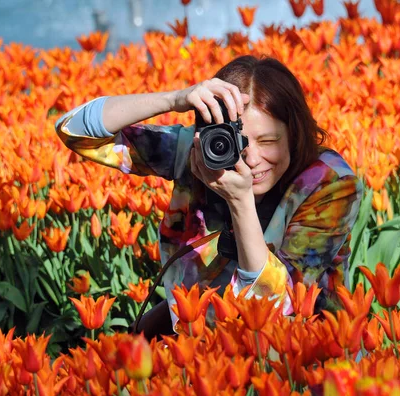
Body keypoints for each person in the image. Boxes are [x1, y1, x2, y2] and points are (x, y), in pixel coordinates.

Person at [55, 55, 363, 340]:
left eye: (268, 140)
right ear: (213, 133)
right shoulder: (199, 152)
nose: (251, 158)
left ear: (295, 134)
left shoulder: (329, 182)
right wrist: (175, 99)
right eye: (238, 141)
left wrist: (239, 202)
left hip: (306, 351)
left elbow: (275, 303)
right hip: (203, 338)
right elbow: (75, 131)